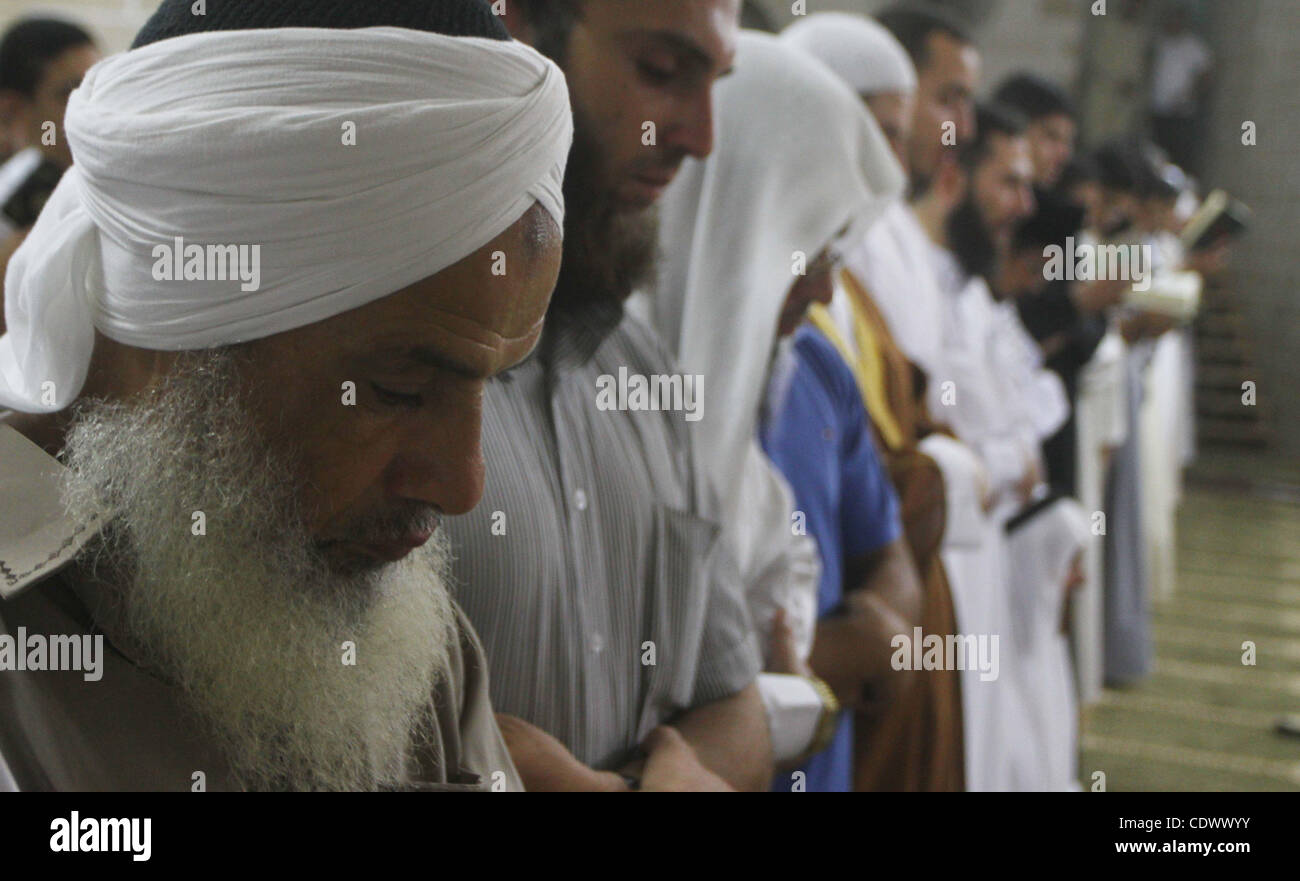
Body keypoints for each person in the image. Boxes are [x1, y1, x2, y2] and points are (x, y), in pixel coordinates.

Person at [0, 0, 573, 791]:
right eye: (398, 389)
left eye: (492, 383)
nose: (465, 484)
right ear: (175, 328)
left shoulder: (407, 641)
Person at [441, 0, 782, 793]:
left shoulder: (645, 369)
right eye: (662, 72)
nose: (701, 137)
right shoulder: (387, 376)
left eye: (716, 85)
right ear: (521, 33)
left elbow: (739, 709)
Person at [646, 30, 915, 793]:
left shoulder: (813, 366)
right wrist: (827, 657)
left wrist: (882, 629)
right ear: (738, 221)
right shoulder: (601, 398)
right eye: (809, 249)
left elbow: (882, 539)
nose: (826, 292)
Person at [780, 9, 966, 791]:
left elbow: (875, 473)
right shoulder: (786, 305)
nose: (890, 165)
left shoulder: (837, 292)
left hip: (879, 643)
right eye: (878, 134)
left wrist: (886, 619)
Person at [0, 17, 100, 278]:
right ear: (14, 108)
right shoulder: (14, 205)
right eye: (69, 94)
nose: (92, 106)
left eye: (97, 87)